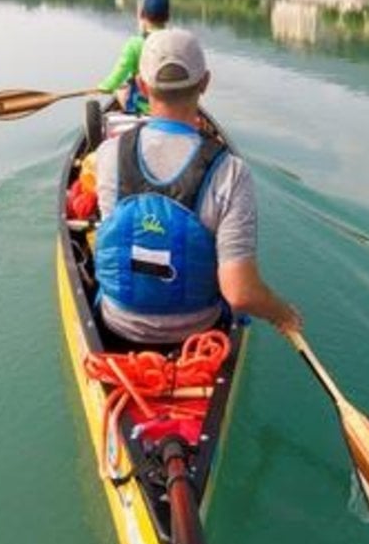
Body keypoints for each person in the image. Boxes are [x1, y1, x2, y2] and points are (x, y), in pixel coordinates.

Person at [94, 27, 303, 346]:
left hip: (115, 325)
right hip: (198, 335)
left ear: (141, 85)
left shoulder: (108, 155)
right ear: (205, 82)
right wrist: (282, 313)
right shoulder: (231, 172)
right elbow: (240, 294)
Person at [97, 0, 170, 113]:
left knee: (120, 90)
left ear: (142, 15)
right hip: (173, 104)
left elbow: (117, 77)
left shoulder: (135, 44)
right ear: (168, 16)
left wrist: (103, 87)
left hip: (143, 107)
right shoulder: (177, 42)